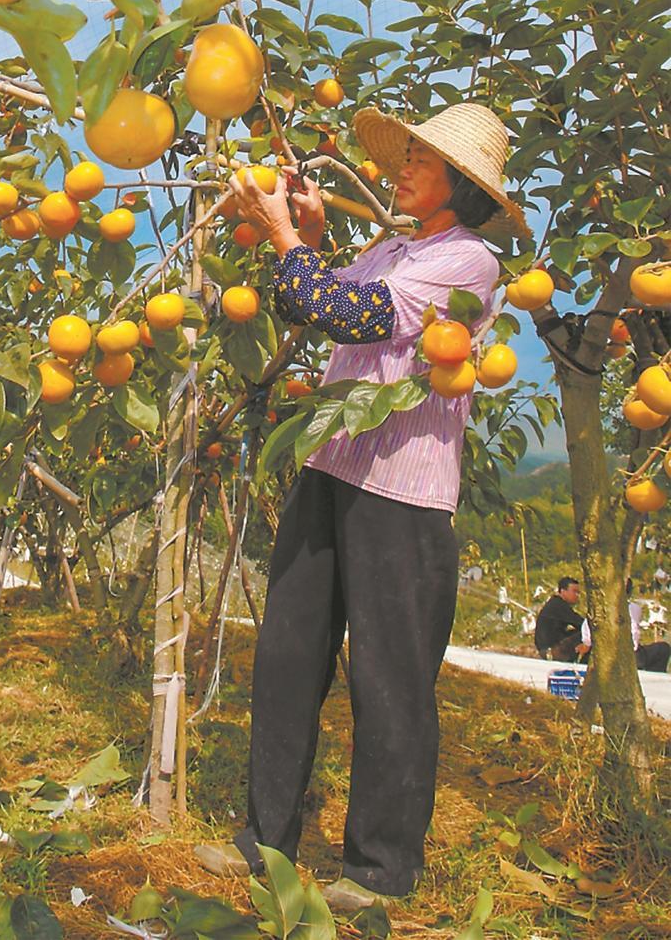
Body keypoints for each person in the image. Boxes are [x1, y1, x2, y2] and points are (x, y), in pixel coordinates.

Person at [195, 102, 529, 917]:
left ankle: (380, 866)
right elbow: (307, 302)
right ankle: (264, 837)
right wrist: (304, 237)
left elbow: (358, 315)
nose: (402, 167)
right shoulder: (393, 248)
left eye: (421, 159)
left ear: (462, 186)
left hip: (404, 494)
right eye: (406, 154)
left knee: (391, 677)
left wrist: (284, 236)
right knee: (287, 654)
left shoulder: (469, 262)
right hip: (333, 464)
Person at [533, 578, 588, 663]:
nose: (577, 595)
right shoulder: (558, 606)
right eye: (574, 592)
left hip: (548, 647)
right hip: (551, 650)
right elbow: (582, 624)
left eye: (578, 592)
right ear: (563, 591)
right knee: (590, 633)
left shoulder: (556, 603)